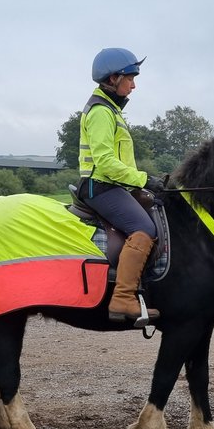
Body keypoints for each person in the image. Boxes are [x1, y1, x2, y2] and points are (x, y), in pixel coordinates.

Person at [79, 47, 164, 322]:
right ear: (113, 78)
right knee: (143, 228)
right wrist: (143, 179)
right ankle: (123, 299)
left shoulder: (111, 110)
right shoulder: (101, 112)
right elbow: (104, 162)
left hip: (113, 185)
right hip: (100, 186)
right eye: (130, 78)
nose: (134, 84)